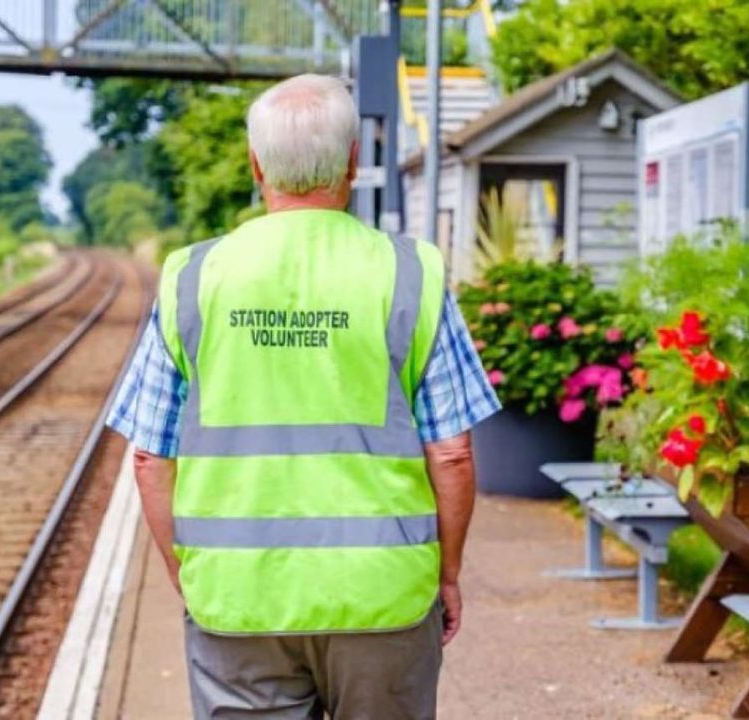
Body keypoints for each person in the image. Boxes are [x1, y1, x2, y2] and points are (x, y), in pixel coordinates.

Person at [106, 73, 500, 720]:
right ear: (353, 162)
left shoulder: (191, 278)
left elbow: (150, 459)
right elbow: (452, 455)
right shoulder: (412, 273)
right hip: (385, 597)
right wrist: (446, 574)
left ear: (256, 165)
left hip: (238, 598)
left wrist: (190, 572)